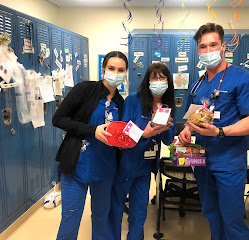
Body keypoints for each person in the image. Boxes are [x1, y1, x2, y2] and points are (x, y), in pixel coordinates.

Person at [178, 23, 249, 240]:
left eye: (213, 45)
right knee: (211, 213)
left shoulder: (244, 78)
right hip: (202, 161)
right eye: (203, 46)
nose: (208, 51)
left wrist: (220, 132)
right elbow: (195, 115)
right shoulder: (197, 85)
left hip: (229, 163)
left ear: (223, 46)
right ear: (197, 50)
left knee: (232, 219)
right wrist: (187, 129)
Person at [52, 51, 128, 240]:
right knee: (70, 216)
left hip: (105, 168)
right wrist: (92, 130)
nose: (115, 73)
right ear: (103, 70)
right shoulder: (85, 89)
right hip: (77, 166)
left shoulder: (121, 102)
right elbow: (58, 119)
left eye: (120, 70)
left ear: (125, 73)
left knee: (102, 217)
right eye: (111, 68)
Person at [109, 62, 176, 240]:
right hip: (127, 163)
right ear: (147, 80)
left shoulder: (166, 105)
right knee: (116, 207)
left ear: (168, 81)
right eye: (154, 77)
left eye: (162, 78)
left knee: (139, 211)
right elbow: (125, 130)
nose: (158, 81)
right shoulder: (133, 99)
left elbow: (169, 140)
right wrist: (145, 133)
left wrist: (165, 126)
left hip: (146, 167)